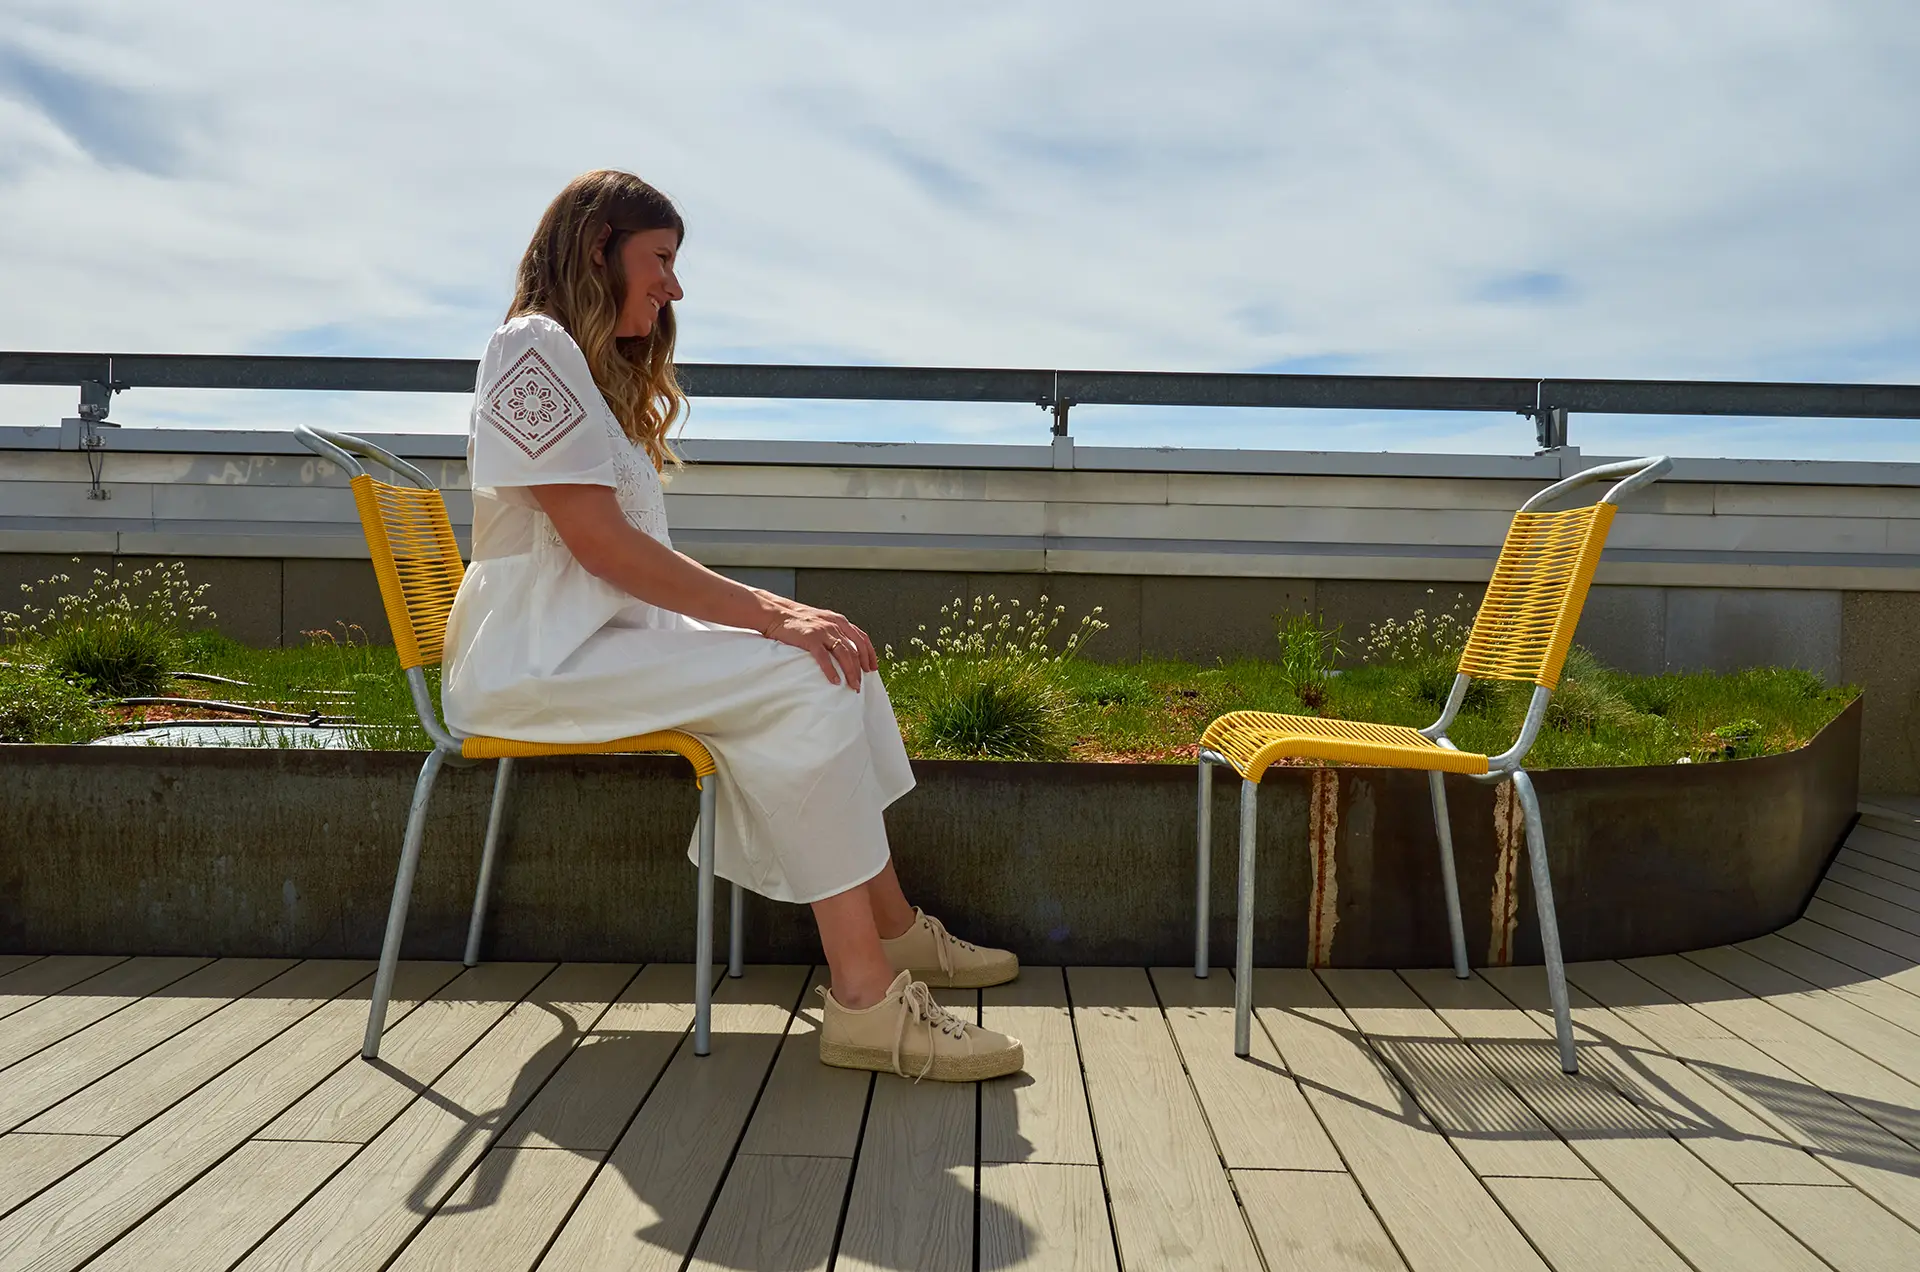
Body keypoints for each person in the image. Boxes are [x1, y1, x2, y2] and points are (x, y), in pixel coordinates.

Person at [441, 169, 1024, 1083]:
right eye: (661, 259)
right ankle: (868, 1004)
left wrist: (784, 621)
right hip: (537, 662)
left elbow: (622, 568)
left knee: (840, 657)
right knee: (803, 667)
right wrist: (769, 613)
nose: (675, 286)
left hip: (596, 646)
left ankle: (895, 931)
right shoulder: (529, 347)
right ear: (599, 250)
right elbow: (601, 548)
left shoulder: (582, 371)